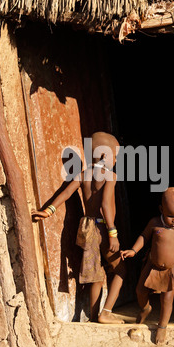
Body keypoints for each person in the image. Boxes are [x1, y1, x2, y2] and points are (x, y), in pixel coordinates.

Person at [32, 132, 126, 324]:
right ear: (103, 156)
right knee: (120, 270)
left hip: (86, 228)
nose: (116, 160)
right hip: (102, 228)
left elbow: (65, 193)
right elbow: (106, 206)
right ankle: (105, 312)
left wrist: (47, 211)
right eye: (115, 156)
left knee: (97, 276)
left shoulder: (83, 175)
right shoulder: (110, 176)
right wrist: (113, 233)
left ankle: (93, 317)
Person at [121, 187, 174, 344]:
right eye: (170, 216)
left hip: (172, 268)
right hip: (152, 264)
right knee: (140, 290)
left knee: (167, 298)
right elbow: (144, 236)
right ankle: (145, 308)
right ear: (161, 209)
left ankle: (162, 326)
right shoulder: (155, 223)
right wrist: (134, 250)